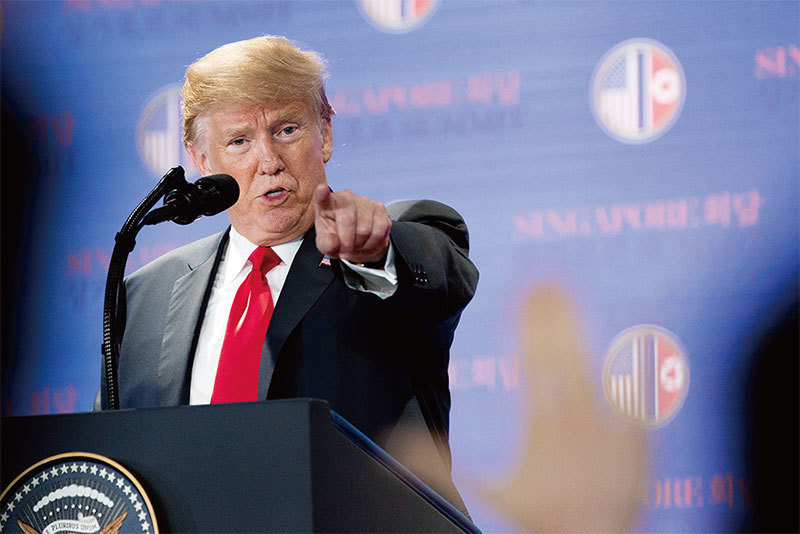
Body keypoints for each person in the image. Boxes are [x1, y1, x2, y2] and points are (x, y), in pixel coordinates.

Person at [96, 36, 478, 513]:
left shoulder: (381, 249)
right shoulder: (145, 297)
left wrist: (377, 251)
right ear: (201, 161)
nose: (269, 161)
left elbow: (436, 275)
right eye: (239, 141)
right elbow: (111, 471)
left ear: (326, 133)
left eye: (287, 130)